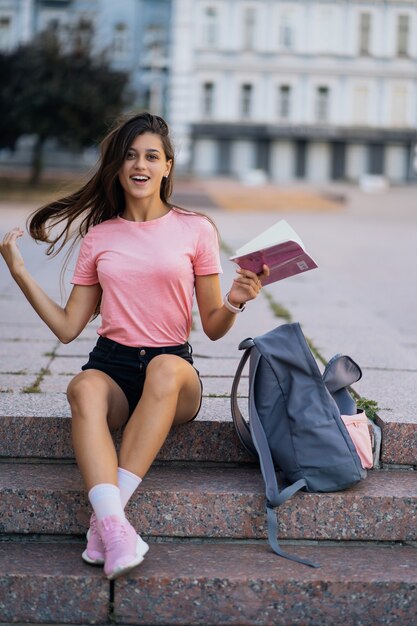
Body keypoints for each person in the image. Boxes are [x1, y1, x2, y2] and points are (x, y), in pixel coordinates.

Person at [0, 112, 269, 580]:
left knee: (164, 369)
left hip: (173, 370)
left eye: (150, 156)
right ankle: (113, 527)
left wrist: (235, 301)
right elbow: (68, 327)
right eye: (129, 156)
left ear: (167, 166)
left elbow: (212, 327)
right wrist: (20, 272)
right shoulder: (100, 237)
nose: (139, 164)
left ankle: (108, 520)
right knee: (83, 387)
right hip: (113, 366)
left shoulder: (196, 229)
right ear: (117, 168)